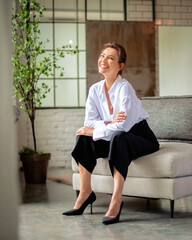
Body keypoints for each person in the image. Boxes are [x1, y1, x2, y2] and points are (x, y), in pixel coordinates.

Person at [63, 42, 159, 225]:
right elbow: (89, 122)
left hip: (140, 136)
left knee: (118, 137)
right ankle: (85, 193)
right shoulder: (95, 90)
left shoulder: (125, 89)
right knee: (83, 137)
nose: (103, 60)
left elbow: (123, 127)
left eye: (111, 57)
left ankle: (116, 199)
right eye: (102, 55)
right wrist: (108, 122)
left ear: (120, 66)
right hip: (114, 132)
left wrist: (103, 126)